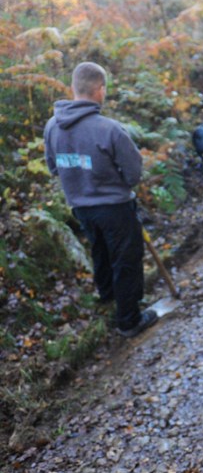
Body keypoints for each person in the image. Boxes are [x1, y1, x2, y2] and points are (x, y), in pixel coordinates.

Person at [44, 62, 158, 338]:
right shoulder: (109, 129)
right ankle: (129, 319)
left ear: (73, 88)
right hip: (114, 207)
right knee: (125, 259)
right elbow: (133, 172)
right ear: (100, 90)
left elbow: (53, 167)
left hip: (80, 208)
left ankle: (108, 298)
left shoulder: (52, 126)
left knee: (101, 253)